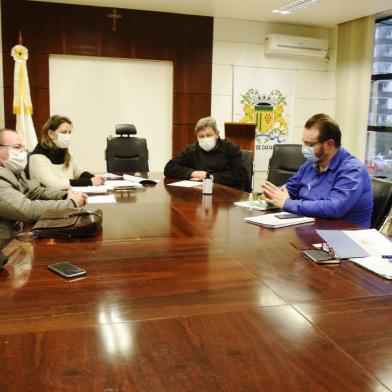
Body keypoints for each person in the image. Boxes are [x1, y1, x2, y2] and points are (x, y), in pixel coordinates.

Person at [261, 113, 373, 228]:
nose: (305, 148)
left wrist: (287, 203)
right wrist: (274, 194)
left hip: (343, 237)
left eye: (310, 144)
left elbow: (334, 208)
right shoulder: (311, 163)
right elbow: (290, 189)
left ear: (329, 144)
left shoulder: (352, 170)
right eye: (304, 143)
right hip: (310, 229)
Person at [0, 129, 87, 239]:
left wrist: (64, 196)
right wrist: (71, 203)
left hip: (18, 239)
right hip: (5, 247)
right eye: (17, 148)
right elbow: (27, 210)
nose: (23, 153)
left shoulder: (14, 171)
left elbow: (35, 191)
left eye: (23, 148)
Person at [164, 116, 247, 190]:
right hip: (199, 194)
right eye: (201, 136)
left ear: (217, 134)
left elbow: (239, 175)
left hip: (227, 196)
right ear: (197, 137)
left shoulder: (231, 149)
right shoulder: (192, 150)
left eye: (209, 135)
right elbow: (169, 168)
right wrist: (193, 173)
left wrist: (210, 177)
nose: (205, 139)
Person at [29, 115, 105, 190]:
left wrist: (94, 177)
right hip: (47, 200)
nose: (67, 136)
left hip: (67, 195)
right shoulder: (37, 156)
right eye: (64, 132)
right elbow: (55, 185)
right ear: (51, 134)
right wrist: (89, 182)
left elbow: (78, 172)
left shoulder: (64, 151)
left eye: (69, 132)